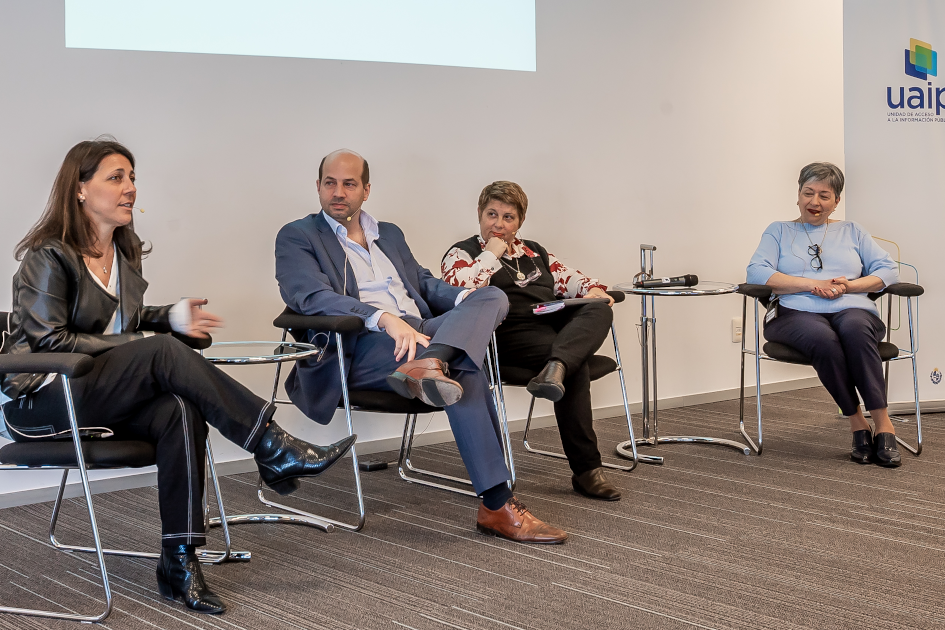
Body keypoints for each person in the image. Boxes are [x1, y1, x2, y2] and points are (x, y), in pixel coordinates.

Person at [0, 139, 357, 615]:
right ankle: (273, 447)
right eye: (115, 177)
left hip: (95, 396)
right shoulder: (49, 257)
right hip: (43, 402)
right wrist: (147, 342)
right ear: (80, 189)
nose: (129, 188)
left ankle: (179, 560)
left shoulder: (121, 256)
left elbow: (114, 321)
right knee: (162, 354)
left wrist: (167, 316)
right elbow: (51, 343)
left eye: (131, 178)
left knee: (179, 409)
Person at [275, 149, 567, 544]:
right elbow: (309, 296)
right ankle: (497, 504)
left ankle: (432, 361)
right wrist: (383, 319)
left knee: (491, 298)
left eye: (349, 183)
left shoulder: (388, 233)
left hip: (425, 332)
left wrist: (465, 304)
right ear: (318, 187)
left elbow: (424, 283)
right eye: (330, 183)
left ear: (366, 190)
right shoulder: (298, 235)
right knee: (465, 367)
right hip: (361, 343)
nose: (338, 192)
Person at [441, 181, 622, 501]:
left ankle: (557, 365)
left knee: (599, 308)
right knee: (576, 366)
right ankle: (587, 470)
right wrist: (490, 253)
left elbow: (572, 279)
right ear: (479, 215)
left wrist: (593, 289)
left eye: (508, 217)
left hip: (551, 336)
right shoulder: (462, 253)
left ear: (519, 222)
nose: (498, 223)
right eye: (491, 214)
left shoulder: (534, 252)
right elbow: (458, 293)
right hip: (502, 340)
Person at [747, 162, 901, 466]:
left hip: (852, 308)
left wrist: (850, 285)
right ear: (798, 195)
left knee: (855, 331)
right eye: (808, 193)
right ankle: (858, 422)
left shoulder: (852, 230)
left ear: (836, 202)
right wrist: (811, 285)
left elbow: (888, 270)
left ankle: (883, 424)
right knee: (823, 339)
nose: (814, 202)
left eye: (824, 196)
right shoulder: (778, 230)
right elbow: (756, 271)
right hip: (794, 312)